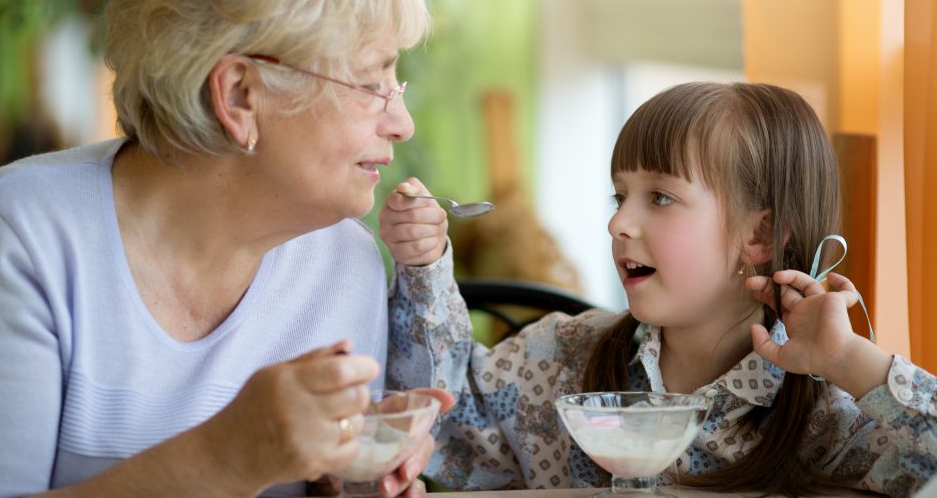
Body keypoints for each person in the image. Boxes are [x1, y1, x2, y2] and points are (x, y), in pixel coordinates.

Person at [0, 0, 451, 498]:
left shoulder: (344, 262)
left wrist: (347, 481)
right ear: (240, 96)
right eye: (371, 82)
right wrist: (228, 455)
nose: (400, 121)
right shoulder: (21, 238)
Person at [383, 82, 937, 498]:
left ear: (760, 235)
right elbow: (435, 419)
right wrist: (423, 265)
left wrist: (849, 359)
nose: (618, 223)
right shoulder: (557, 360)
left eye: (661, 198)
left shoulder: (829, 416)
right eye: (618, 196)